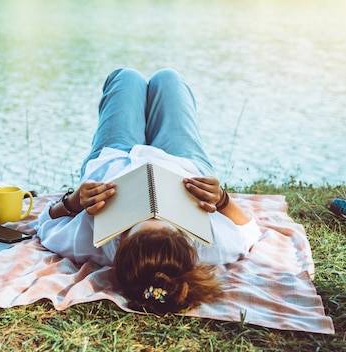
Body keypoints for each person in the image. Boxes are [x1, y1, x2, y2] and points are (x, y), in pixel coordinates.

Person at [33, 68, 261, 314]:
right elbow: (249, 231)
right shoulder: (209, 246)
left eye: (132, 223)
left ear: (119, 243)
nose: (153, 210)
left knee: (126, 77)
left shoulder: (92, 244)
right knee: (169, 78)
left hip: (113, 157)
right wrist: (223, 201)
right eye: (167, 218)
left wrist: (72, 203)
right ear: (187, 239)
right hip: (183, 161)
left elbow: (45, 224)